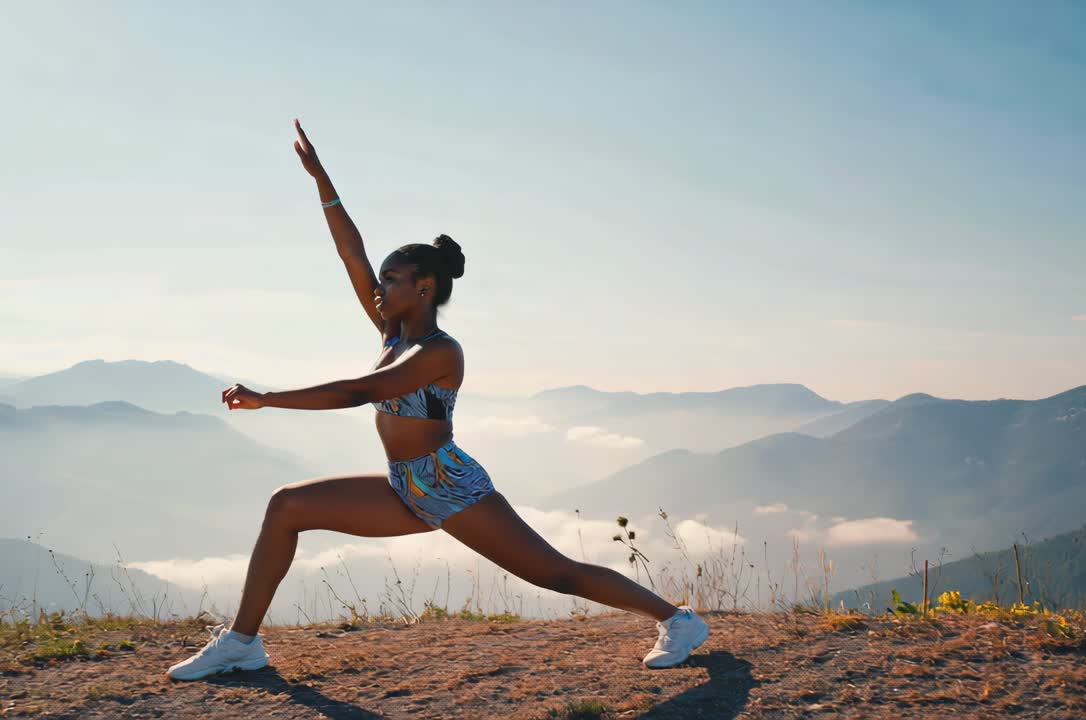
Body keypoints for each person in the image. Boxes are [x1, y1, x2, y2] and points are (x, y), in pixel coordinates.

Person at [167, 118, 709, 681]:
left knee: (557, 574)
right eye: (382, 279)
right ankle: (242, 643)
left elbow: (361, 391)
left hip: (449, 485)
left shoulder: (439, 351)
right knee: (287, 507)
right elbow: (351, 255)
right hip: (404, 485)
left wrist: (267, 398)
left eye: (392, 280)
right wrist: (321, 180)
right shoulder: (392, 334)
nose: (380, 287)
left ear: (423, 287)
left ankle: (678, 620)